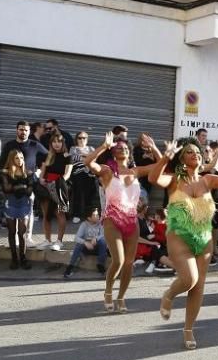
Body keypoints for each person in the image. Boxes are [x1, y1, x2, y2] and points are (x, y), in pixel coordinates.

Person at [151, 138, 218, 348]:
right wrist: (166, 155)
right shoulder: (174, 179)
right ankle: (169, 295)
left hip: (204, 238)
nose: (196, 154)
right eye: (190, 152)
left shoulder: (208, 180)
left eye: (198, 152)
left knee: (198, 286)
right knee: (189, 279)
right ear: (182, 159)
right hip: (179, 237)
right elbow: (155, 177)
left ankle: (188, 330)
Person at [84, 132, 160, 313]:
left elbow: (161, 165)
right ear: (113, 152)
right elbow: (88, 162)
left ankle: (122, 297)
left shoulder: (135, 171)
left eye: (126, 147)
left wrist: (154, 147)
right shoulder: (107, 171)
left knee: (128, 263)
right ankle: (108, 291)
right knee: (118, 260)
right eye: (118, 147)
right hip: (112, 218)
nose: (123, 149)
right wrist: (104, 145)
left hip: (131, 220)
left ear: (130, 152)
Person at [37, 132, 72, 251]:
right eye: (54, 142)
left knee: (59, 214)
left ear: (63, 143)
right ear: (51, 143)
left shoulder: (67, 155)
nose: (57, 144)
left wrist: (57, 182)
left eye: (59, 141)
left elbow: (67, 174)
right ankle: (47, 240)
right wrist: (42, 179)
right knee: (46, 214)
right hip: (46, 188)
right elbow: (43, 172)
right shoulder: (49, 155)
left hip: (60, 187)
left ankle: (59, 241)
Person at [2, 150, 35, 270]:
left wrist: (17, 187)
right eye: (16, 158)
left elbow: (30, 190)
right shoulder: (6, 173)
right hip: (11, 204)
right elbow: (6, 188)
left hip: (23, 204)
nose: (20, 160)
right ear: (11, 159)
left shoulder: (28, 173)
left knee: (22, 232)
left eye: (21, 157)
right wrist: (21, 187)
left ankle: (23, 258)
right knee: (11, 232)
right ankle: (14, 259)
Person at [64, 208, 108, 277]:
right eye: (95, 215)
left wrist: (96, 238)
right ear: (89, 218)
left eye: (97, 214)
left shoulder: (101, 224)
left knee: (103, 241)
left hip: (98, 248)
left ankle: (100, 265)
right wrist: (85, 242)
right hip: (87, 248)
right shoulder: (84, 225)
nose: (98, 216)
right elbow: (76, 238)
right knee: (79, 245)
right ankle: (70, 268)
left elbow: (104, 234)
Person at [68, 131, 98, 224]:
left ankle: (89, 214)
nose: (82, 140)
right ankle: (77, 214)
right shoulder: (73, 148)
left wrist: (83, 156)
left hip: (90, 173)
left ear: (87, 139)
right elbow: (73, 158)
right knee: (78, 191)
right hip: (77, 173)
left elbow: (95, 158)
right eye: (79, 138)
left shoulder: (91, 148)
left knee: (90, 193)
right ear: (76, 139)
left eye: (84, 138)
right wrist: (87, 156)